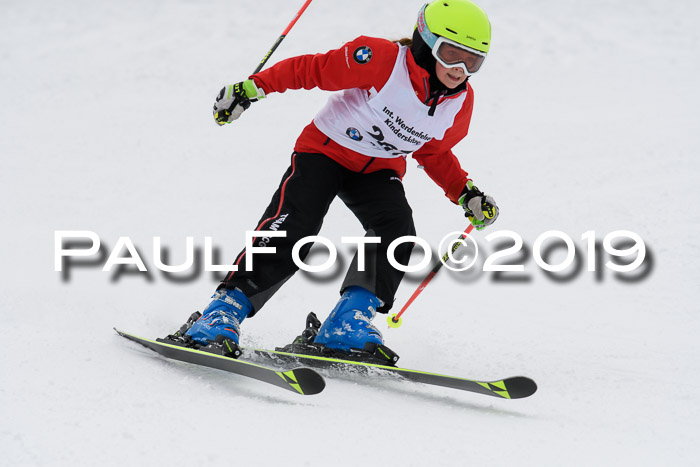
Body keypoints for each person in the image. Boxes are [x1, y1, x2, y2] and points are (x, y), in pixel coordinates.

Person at [183, 0, 499, 356]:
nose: (459, 69)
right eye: (451, 54)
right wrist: (251, 89)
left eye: (472, 61)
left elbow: (433, 152)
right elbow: (310, 70)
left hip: (379, 169)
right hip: (326, 151)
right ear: (426, 41)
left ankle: (347, 323)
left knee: (397, 232)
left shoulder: (460, 103)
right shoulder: (381, 59)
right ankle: (223, 311)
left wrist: (465, 193)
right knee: (296, 226)